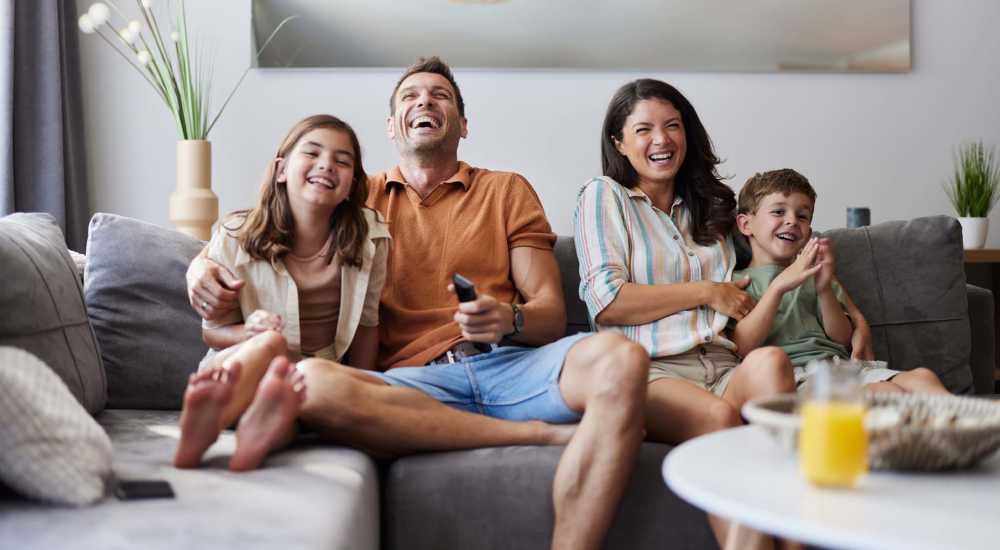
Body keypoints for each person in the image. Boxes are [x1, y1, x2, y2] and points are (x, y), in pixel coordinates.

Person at [187, 57, 649, 550]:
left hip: (512, 367)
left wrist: (507, 318)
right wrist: (197, 267)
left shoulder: (506, 189)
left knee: (623, 358)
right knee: (312, 384)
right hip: (410, 383)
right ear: (391, 126)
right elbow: (265, 228)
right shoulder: (354, 197)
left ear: (463, 124)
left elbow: (550, 318)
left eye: (440, 95)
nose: (424, 101)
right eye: (409, 96)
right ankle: (530, 433)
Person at [174, 114, 392, 472]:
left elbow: (368, 324)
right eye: (312, 153)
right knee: (271, 346)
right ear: (281, 170)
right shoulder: (236, 234)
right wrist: (252, 332)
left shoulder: (372, 239)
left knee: (295, 397)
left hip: (311, 376)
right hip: (242, 367)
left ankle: (261, 432)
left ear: (352, 184)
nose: (327, 165)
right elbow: (210, 330)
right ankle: (212, 417)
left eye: (342, 161)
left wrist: (362, 385)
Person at [731, 168, 948, 394]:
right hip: (795, 375)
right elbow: (742, 346)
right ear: (746, 224)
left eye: (802, 216)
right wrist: (778, 288)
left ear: (809, 230)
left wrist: (824, 289)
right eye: (778, 212)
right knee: (886, 393)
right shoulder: (737, 282)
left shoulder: (817, 273)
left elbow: (842, 338)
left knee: (924, 377)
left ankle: (966, 425)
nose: (792, 221)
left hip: (840, 367)